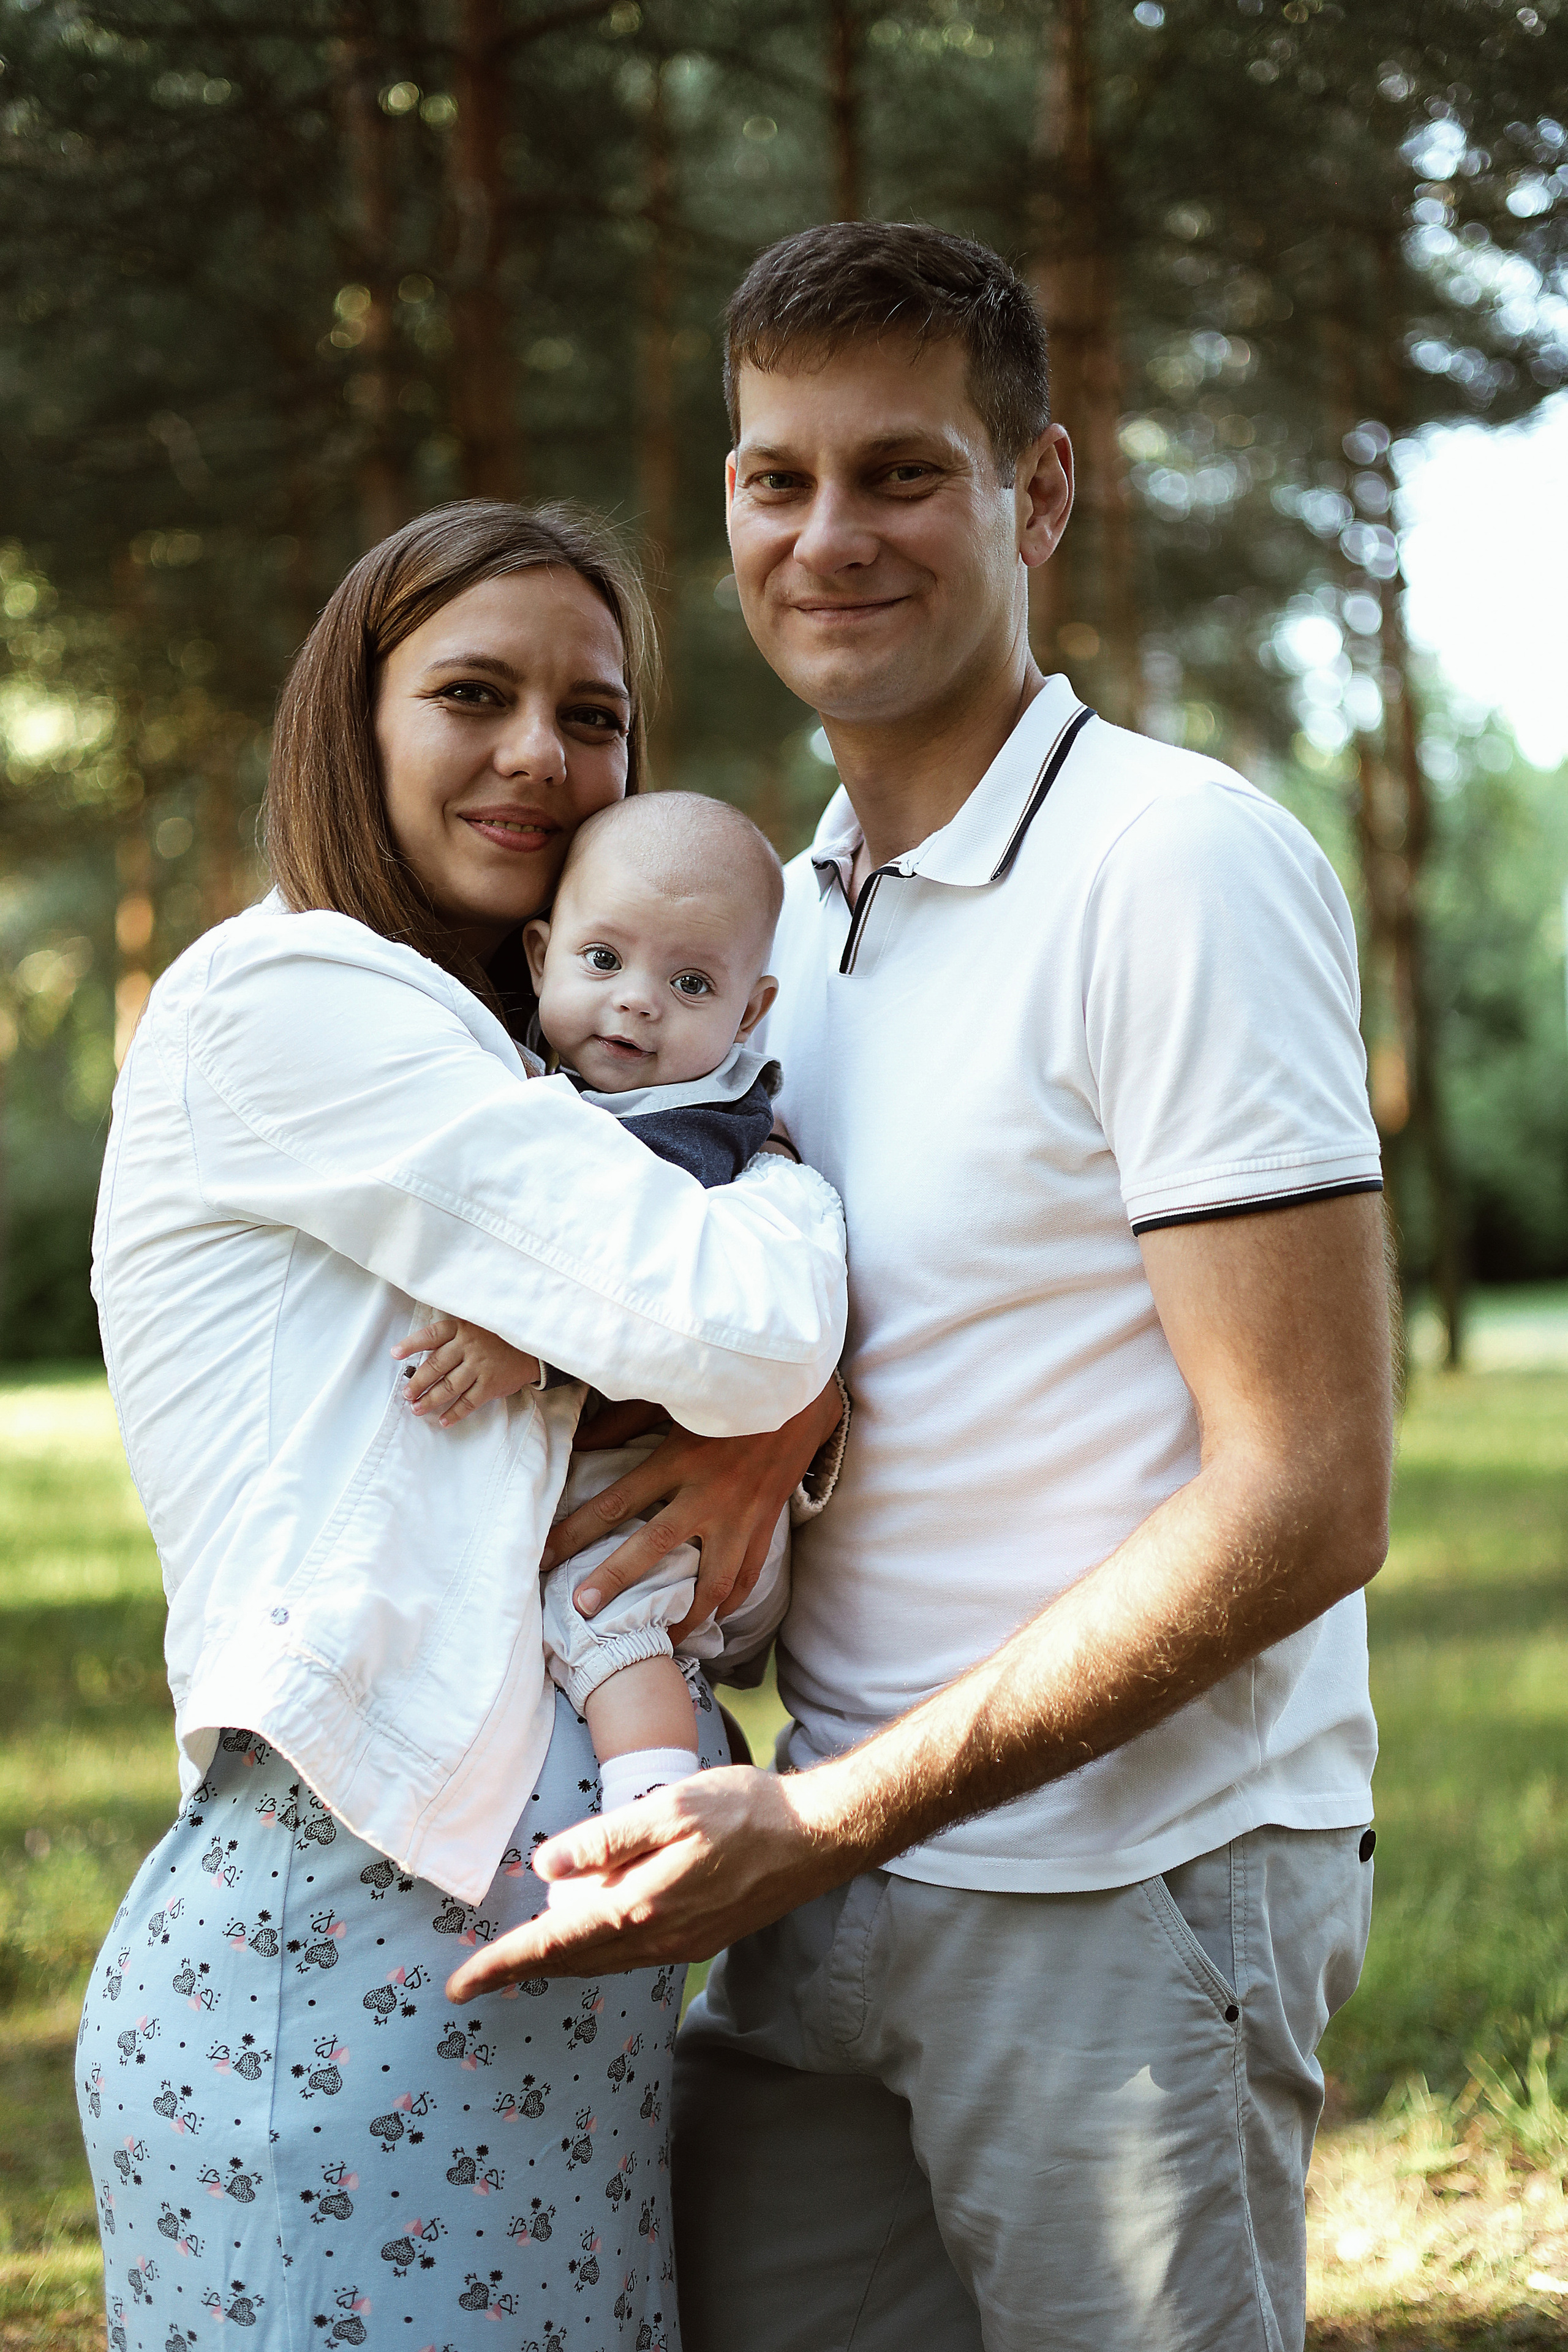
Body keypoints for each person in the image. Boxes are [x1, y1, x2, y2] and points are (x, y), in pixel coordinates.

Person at [445, 227, 1395, 2352]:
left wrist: (825, 1819)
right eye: (780, 478)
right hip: (823, 1868)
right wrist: (782, 1431)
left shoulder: (1179, 864)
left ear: (1037, 493)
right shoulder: (764, 929)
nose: (829, 534)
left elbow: (1311, 1492)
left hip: (1124, 1885)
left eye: (903, 474)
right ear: (727, 502)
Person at [77, 499, 847, 2352]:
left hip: (532, 2007)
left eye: (593, 716)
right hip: (343, 1978)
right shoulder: (295, 999)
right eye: (473, 694)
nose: (541, 755)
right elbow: (726, 1324)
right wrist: (793, 1382)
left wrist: (782, 1399)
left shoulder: (522, 1052)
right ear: (355, 721)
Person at [392, 789, 837, 1823]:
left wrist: (536, 1347)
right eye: (605, 962)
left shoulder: (699, 1127)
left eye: (690, 982)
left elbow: (657, 1282)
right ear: (541, 957)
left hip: (695, 1495)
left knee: (595, 1606)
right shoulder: (529, 1076)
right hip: (662, 1480)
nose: (638, 1002)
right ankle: (687, 1737)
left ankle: (651, 1808)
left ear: (750, 1012)